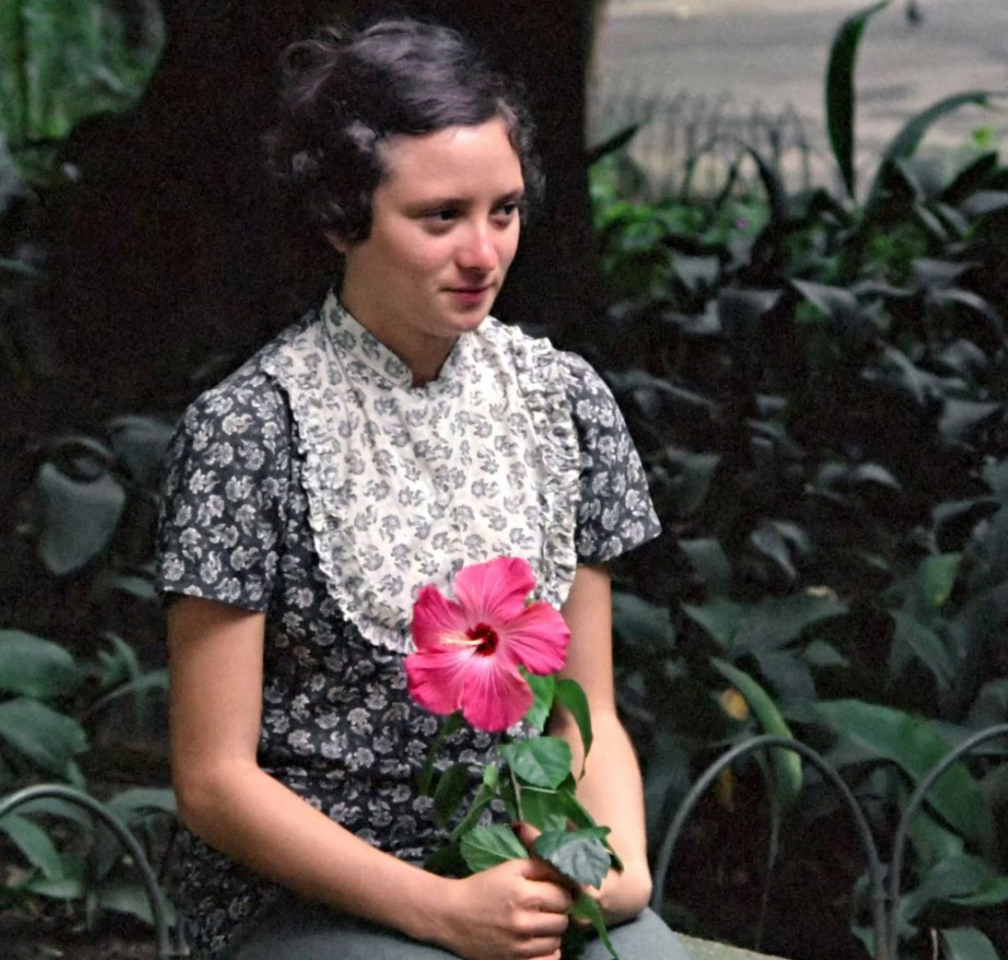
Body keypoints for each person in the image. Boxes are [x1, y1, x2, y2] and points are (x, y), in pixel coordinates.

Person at [156, 18, 690, 960]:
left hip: (511, 864)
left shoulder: (562, 402)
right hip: (312, 897)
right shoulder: (249, 430)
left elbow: (585, 709)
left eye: (504, 210)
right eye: (440, 216)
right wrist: (439, 911)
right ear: (339, 219)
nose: (483, 253)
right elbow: (212, 781)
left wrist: (613, 872)